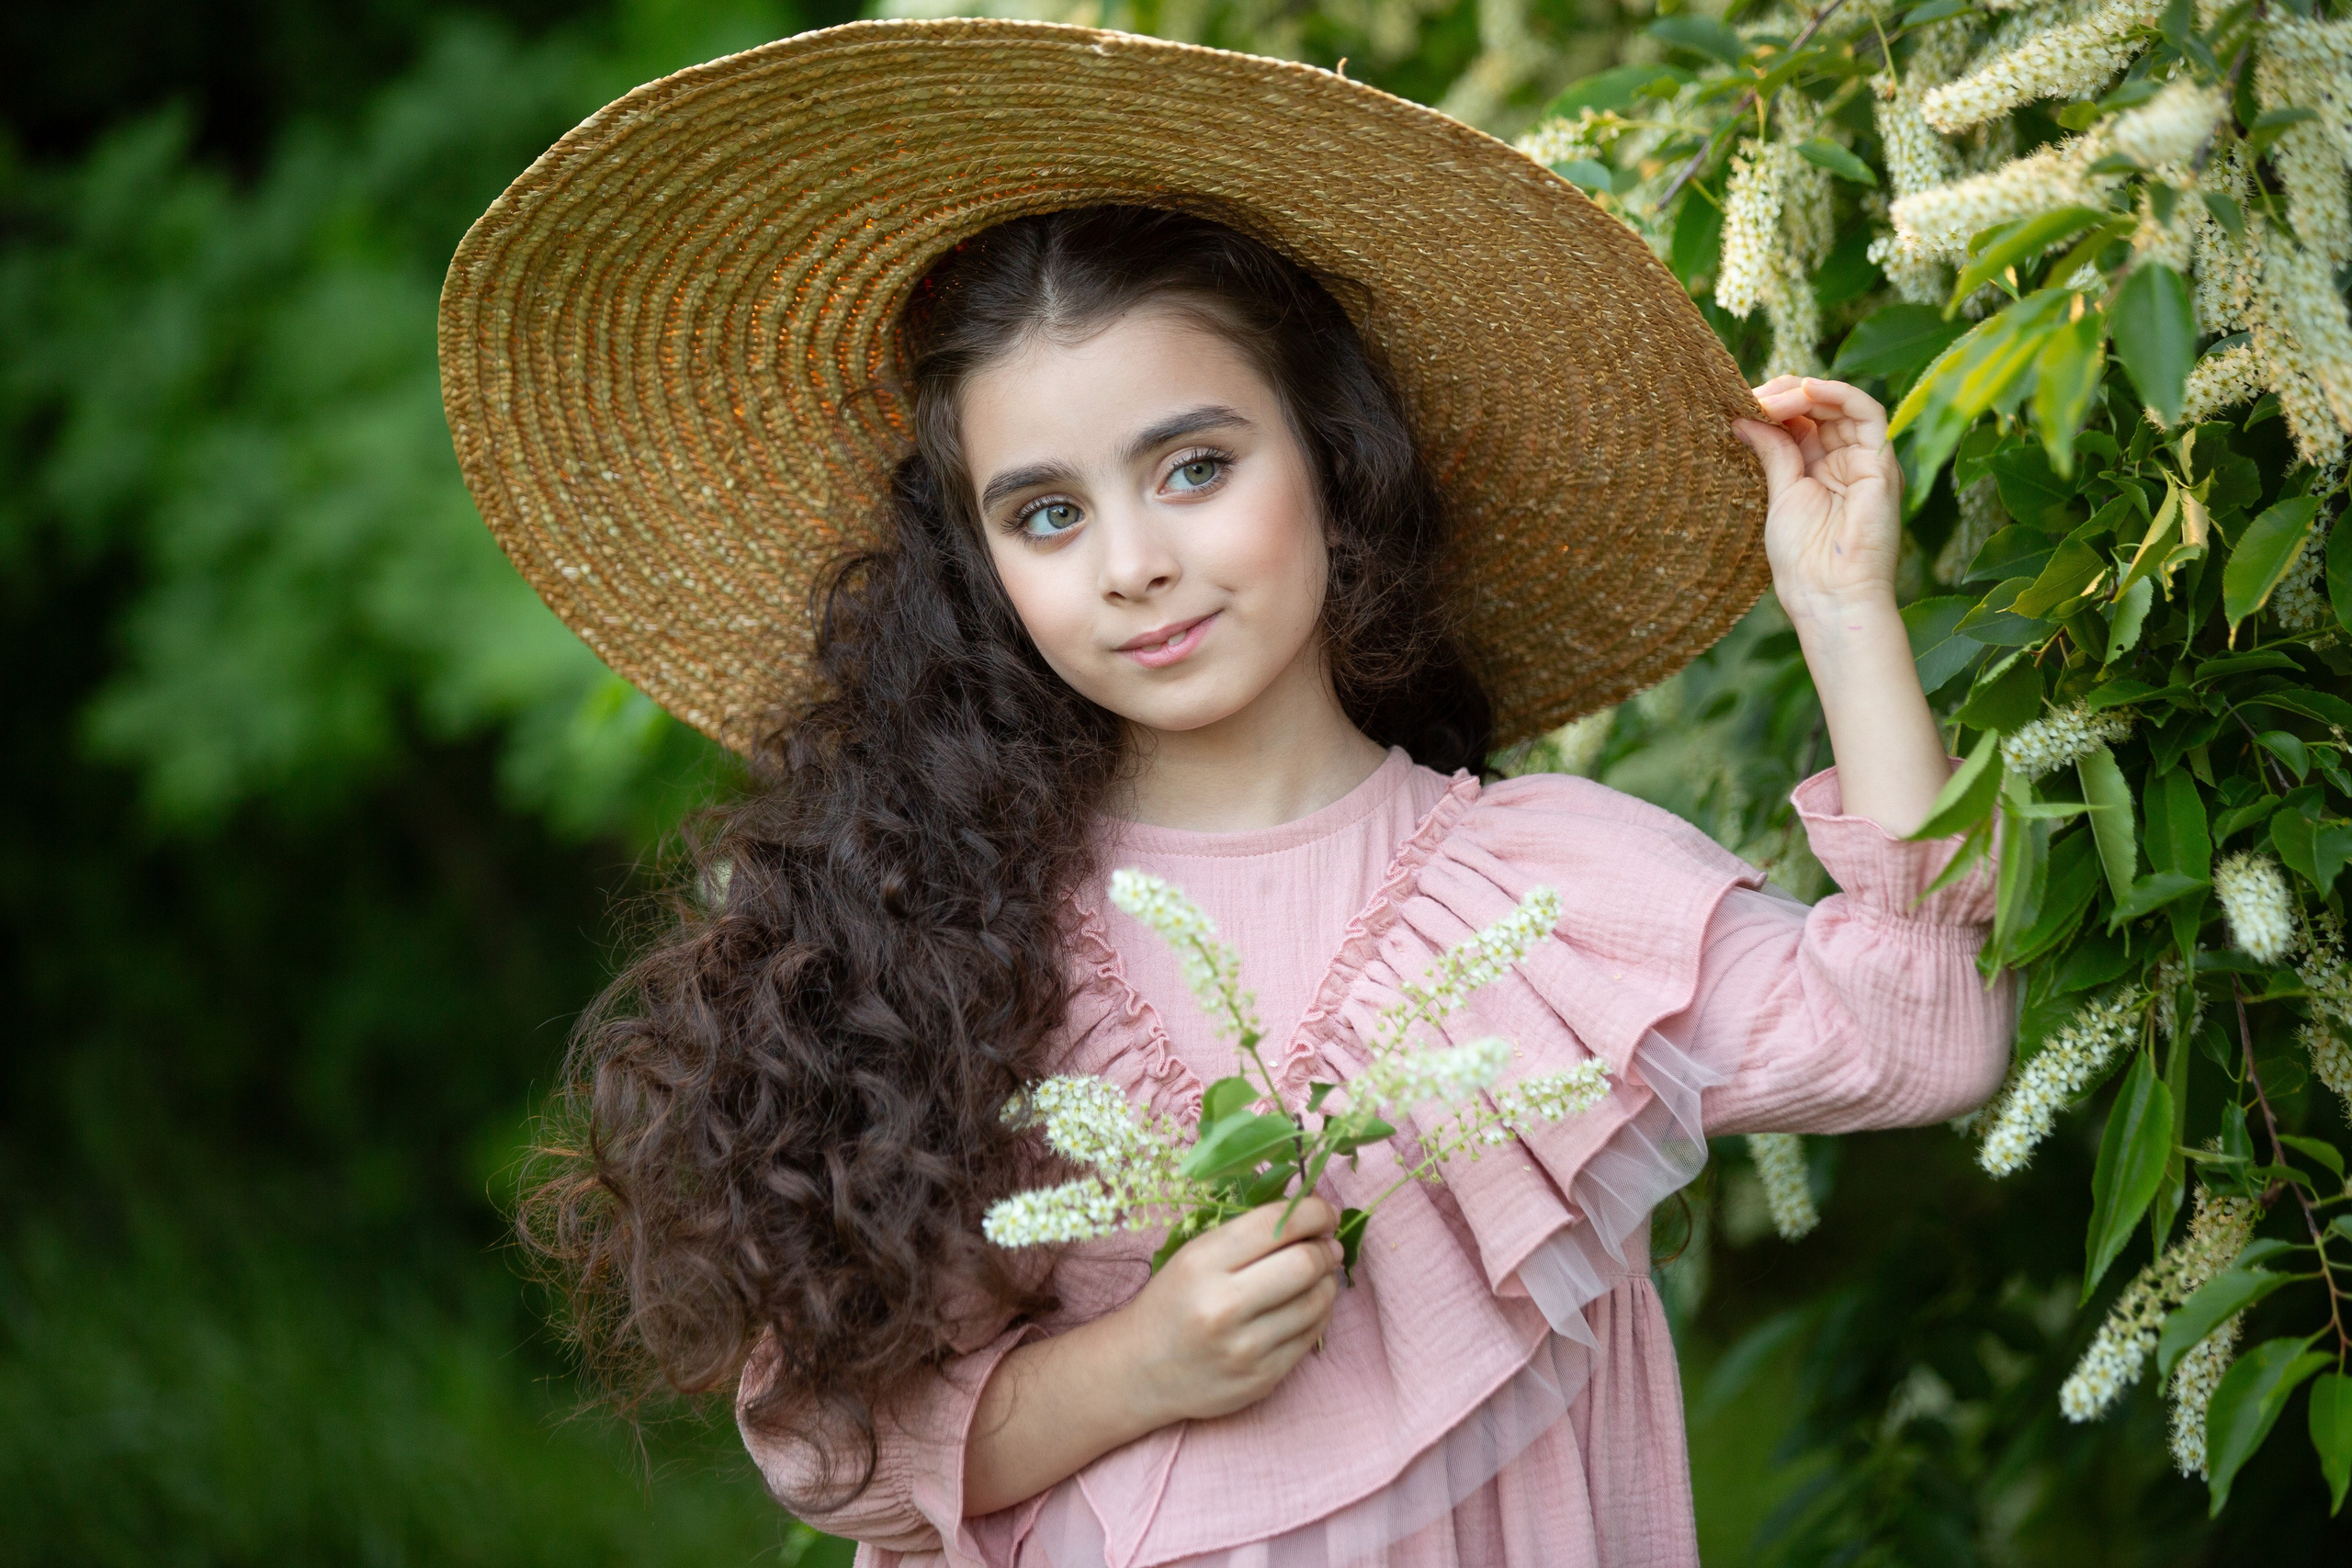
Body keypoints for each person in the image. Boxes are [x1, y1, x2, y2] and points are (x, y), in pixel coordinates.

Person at [444, 21, 2014, 1567]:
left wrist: (1841, 610)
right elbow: (829, 1449)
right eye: (1047, 513)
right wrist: (1141, 1368)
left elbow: (1923, 1030)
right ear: (982, 567)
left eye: (1195, 467)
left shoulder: (1546, 896)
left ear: (1333, 462)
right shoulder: (949, 933)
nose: (1134, 563)